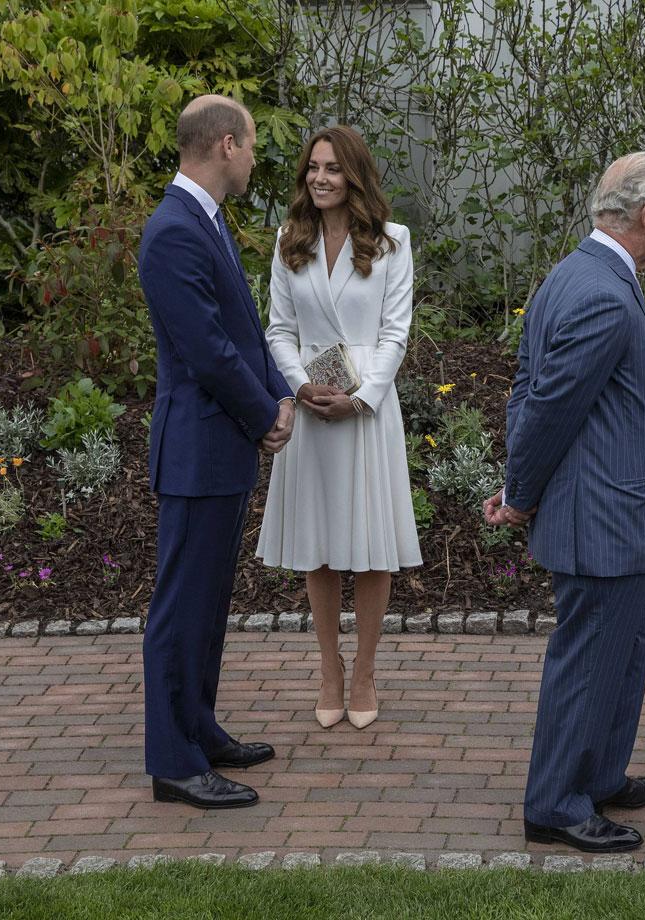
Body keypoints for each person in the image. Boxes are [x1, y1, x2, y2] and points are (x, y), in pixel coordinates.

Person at [482, 152, 645, 854]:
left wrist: (522, 484)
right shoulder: (599, 290)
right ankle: (557, 805)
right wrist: (521, 493)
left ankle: (597, 774)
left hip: (608, 512)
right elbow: (545, 406)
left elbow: (526, 388)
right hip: (599, 517)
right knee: (591, 656)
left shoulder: (578, 274)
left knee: (620, 651)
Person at [139, 94, 295, 809]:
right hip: (199, 449)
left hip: (222, 444)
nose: (257, 158)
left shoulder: (206, 221)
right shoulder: (173, 231)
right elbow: (204, 350)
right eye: (253, 145)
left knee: (208, 604)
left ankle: (198, 728)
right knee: (181, 608)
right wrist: (264, 413)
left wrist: (280, 396)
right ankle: (174, 763)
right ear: (226, 144)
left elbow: (243, 330)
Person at [256, 125, 420, 731]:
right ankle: (329, 668)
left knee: (371, 546)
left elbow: (395, 333)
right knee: (319, 545)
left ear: (354, 174)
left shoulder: (393, 242)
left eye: (331, 168)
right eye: (312, 169)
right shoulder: (287, 240)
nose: (318, 178)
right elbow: (277, 329)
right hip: (312, 409)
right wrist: (301, 386)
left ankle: (367, 670)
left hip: (367, 413)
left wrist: (362, 398)